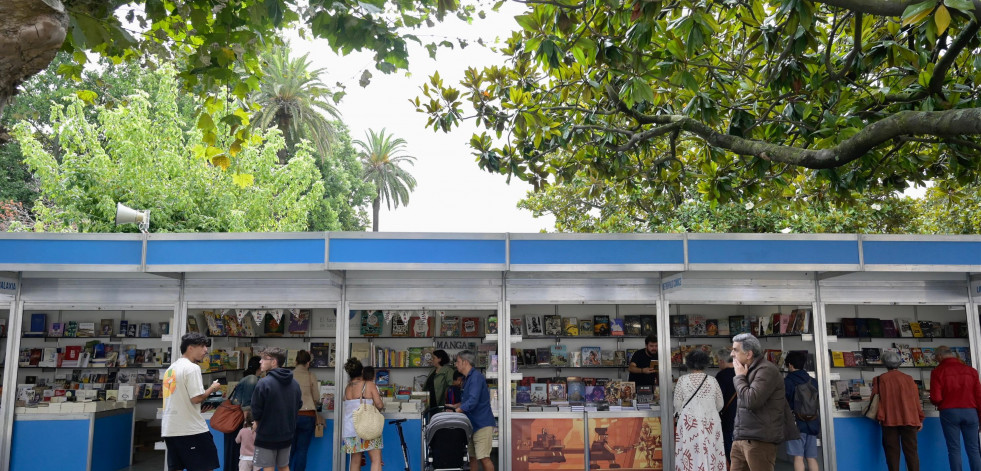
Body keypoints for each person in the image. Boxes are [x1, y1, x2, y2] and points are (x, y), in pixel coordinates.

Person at [730, 333, 798, 471]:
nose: (732, 354)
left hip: (759, 440)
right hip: (742, 439)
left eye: (735, 350)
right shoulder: (747, 370)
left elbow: (751, 400)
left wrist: (739, 377)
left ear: (748, 354)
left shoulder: (766, 370)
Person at [161, 332, 222, 471]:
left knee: (176, 468)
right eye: (202, 346)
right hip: (191, 430)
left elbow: (178, 399)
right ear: (190, 348)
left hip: (170, 429)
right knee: (205, 467)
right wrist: (212, 388)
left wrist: (198, 408)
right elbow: (196, 398)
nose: (206, 350)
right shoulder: (192, 368)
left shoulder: (171, 369)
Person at [930, 345, 981, 471]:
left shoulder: (937, 372)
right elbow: (979, 396)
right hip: (971, 412)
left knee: (954, 449)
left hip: (949, 412)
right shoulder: (971, 371)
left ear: (940, 356)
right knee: (974, 449)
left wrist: (939, 404)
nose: (936, 360)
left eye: (936, 358)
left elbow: (936, 398)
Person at [673, 349, 726, 471]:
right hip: (710, 421)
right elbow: (720, 404)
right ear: (705, 363)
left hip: (688, 423)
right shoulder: (713, 380)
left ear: (689, 363)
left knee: (689, 452)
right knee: (711, 451)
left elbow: (677, 404)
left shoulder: (682, 380)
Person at [251, 347, 302, 471]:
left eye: (264, 359)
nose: (260, 361)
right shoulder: (294, 383)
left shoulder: (264, 383)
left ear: (274, 362)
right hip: (287, 433)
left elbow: (256, 409)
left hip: (267, 434)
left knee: (268, 466)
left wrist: (257, 422)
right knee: (284, 466)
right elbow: (298, 404)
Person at [872, 350, 924, 471]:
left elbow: (874, 400)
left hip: (889, 419)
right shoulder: (909, 379)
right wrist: (920, 418)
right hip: (909, 418)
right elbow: (916, 400)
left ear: (885, 363)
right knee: (911, 452)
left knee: (892, 453)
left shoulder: (880, 379)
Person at [452, 350, 496, 471]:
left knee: (484, 457)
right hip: (472, 424)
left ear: (465, 362)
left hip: (481, 424)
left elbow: (473, 401)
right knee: (472, 457)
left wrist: (457, 411)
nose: (456, 364)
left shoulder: (476, 377)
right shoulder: (467, 378)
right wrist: (454, 406)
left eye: (458, 361)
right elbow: (467, 401)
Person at [343, 358, 384, 471]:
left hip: (351, 429)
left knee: (355, 461)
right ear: (362, 371)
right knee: (376, 460)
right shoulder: (369, 385)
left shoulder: (347, 388)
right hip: (368, 427)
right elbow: (379, 405)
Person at [224, 356, 262, 469]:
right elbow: (246, 405)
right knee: (238, 455)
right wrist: (248, 424)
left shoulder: (248, 378)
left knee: (234, 454)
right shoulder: (252, 379)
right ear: (259, 366)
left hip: (235, 422)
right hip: (239, 422)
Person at [783, 351, 819, 471]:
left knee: (798, 457)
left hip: (796, 424)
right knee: (811, 458)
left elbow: (783, 403)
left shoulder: (788, 381)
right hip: (812, 422)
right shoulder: (813, 381)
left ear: (790, 365)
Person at [290, 350, 324, 471]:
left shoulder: (289, 376)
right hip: (308, 415)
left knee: (289, 449)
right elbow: (316, 397)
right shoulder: (311, 376)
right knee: (302, 450)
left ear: (295, 361)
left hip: (291, 416)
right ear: (308, 363)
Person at [715, 347, 738, 466]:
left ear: (722, 361)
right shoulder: (742, 373)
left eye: (718, 361)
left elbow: (718, 397)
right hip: (745, 415)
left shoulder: (721, 376)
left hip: (728, 415)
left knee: (729, 443)